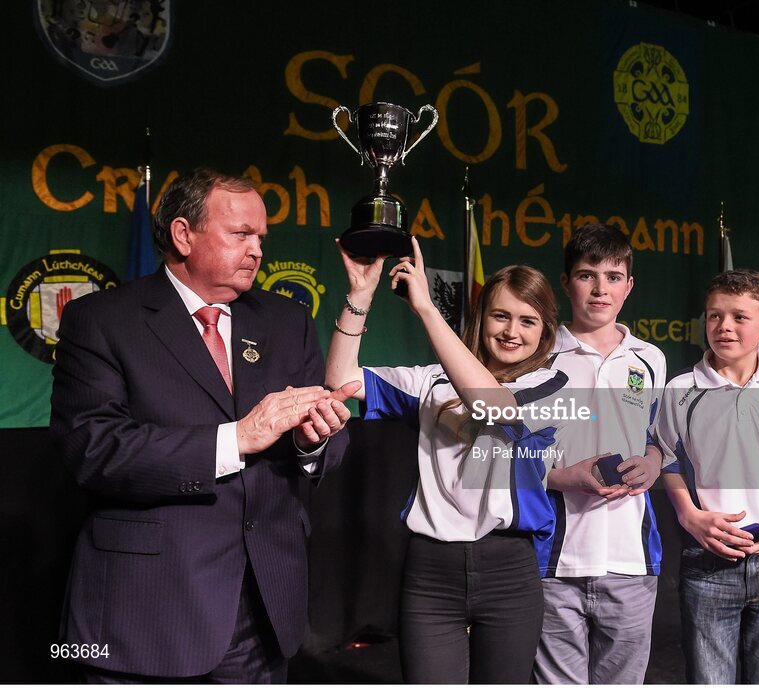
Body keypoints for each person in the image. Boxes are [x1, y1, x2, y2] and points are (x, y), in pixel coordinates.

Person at [50, 168, 359, 683]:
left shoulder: (288, 321)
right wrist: (236, 438)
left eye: (261, 236)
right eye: (241, 234)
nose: (257, 249)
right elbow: (94, 450)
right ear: (182, 234)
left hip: (264, 612)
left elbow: (327, 441)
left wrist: (314, 439)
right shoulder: (101, 320)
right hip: (148, 616)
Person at [325, 239, 569, 684]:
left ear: (545, 331)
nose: (512, 331)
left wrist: (427, 309)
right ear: (481, 319)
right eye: (501, 315)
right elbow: (341, 380)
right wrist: (360, 295)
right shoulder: (431, 382)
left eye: (527, 320)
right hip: (430, 571)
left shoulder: (552, 384)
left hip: (509, 571)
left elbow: (491, 405)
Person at [657, 269, 759, 684]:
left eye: (739, 317)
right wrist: (689, 516)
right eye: (714, 316)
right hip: (708, 561)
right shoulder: (680, 390)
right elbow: (668, 462)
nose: (723, 326)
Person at [533, 223, 666, 685]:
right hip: (553, 558)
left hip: (631, 559)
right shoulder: (540, 352)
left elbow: (657, 438)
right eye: (587, 275)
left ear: (628, 286)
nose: (600, 288)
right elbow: (505, 450)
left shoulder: (650, 358)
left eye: (613, 276)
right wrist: (559, 477)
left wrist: (652, 462)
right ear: (567, 281)